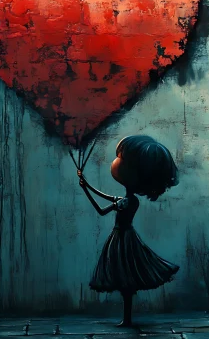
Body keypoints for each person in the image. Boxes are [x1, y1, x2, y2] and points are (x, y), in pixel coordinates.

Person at [77, 135, 180, 327]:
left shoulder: (127, 202)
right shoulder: (128, 200)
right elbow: (107, 197)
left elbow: (101, 209)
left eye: (122, 160)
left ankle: (128, 319)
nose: (116, 162)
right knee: (126, 280)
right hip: (122, 237)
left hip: (122, 239)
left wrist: (86, 189)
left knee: (126, 280)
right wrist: (86, 185)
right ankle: (127, 318)